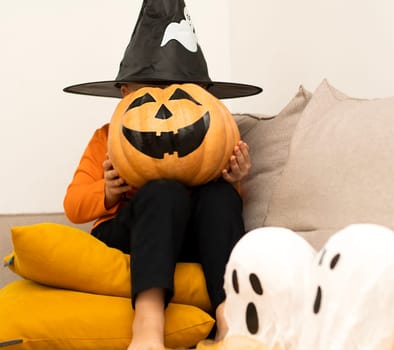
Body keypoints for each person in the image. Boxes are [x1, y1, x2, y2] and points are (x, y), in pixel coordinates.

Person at [63, 81, 252, 350]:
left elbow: (221, 219)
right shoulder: (107, 136)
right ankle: (147, 323)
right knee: (163, 191)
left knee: (218, 194)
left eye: (178, 92)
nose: (164, 103)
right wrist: (107, 191)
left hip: (188, 237)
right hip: (129, 233)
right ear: (125, 93)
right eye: (148, 93)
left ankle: (227, 316)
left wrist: (233, 180)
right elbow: (73, 206)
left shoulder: (215, 130)